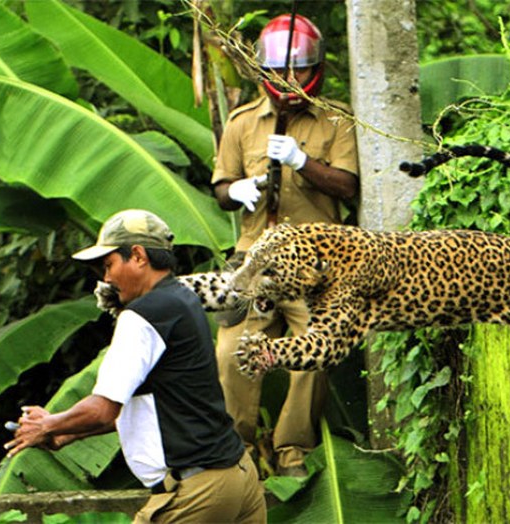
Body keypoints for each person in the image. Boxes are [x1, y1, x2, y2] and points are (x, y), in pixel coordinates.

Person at [3, 209, 266, 524]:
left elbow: (103, 408)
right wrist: (67, 434)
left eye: (109, 264)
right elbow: (156, 409)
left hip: (199, 491)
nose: (107, 278)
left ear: (138, 256)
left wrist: (46, 425)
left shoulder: (142, 316)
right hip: (239, 477)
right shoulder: (183, 300)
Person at [211, 14, 359, 476]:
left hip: (316, 263)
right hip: (254, 257)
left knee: (314, 351)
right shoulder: (241, 124)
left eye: (298, 70)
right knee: (232, 352)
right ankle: (240, 452)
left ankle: (293, 449)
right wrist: (236, 190)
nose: (289, 79)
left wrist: (302, 163)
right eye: (279, 71)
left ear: (315, 68)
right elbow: (220, 187)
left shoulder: (335, 120)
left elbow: (347, 185)